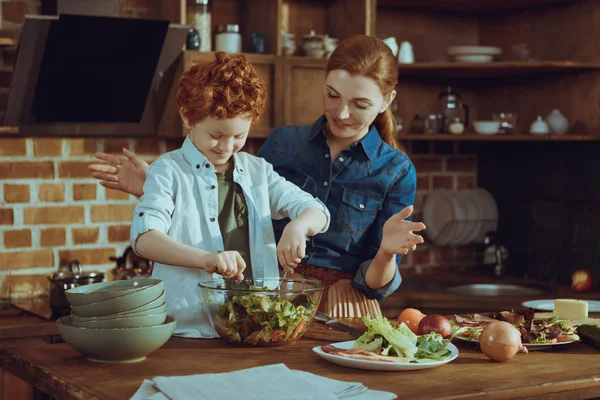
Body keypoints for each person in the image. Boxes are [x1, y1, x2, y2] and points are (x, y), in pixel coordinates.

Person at [89, 35, 425, 319]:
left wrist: (383, 252)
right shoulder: (282, 144)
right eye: (332, 96)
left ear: (387, 101)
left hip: (344, 305)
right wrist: (166, 186)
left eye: (360, 103)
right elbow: (232, 207)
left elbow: (372, 277)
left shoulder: (396, 169)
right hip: (276, 296)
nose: (341, 113)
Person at [113, 52, 330, 338]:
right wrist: (205, 259)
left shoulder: (258, 171)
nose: (227, 147)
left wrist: (298, 226)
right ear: (188, 118)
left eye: (239, 136)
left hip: (256, 326)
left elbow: (316, 211)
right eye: (217, 134)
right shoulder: (168, 170)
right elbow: (144, 239)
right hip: (190, 331)